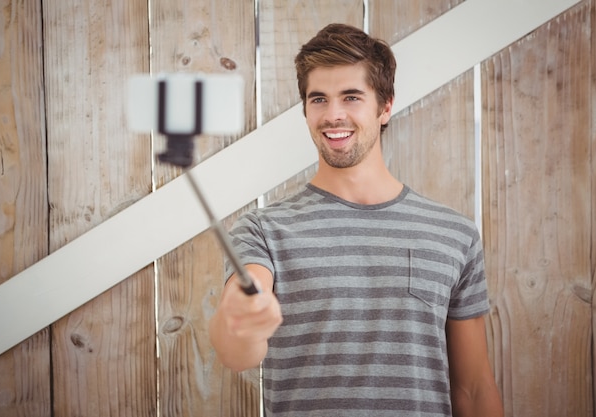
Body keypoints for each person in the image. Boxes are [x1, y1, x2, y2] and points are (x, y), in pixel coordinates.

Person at [209, 23, 504, 417]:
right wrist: (242, 319)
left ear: (385, 107)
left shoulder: (454, 234)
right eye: (318, 100)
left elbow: (474, 388)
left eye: (351, 97)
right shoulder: (264, 230)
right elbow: (235, 352)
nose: (333, 115)